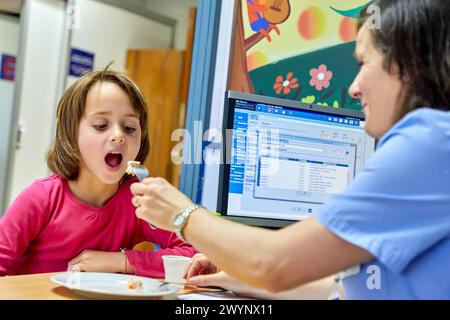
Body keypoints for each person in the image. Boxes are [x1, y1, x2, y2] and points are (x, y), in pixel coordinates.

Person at [130, 0, 450, 299]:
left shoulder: (428, 141)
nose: (354, 87)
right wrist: (240, 276)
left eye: (364, 62)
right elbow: (344, 287)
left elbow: (273, 264)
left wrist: (182, 214)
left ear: (405, 64)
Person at [0, 67, 196, 277]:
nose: (118, 136)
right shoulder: (40, 199)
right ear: (71, 134)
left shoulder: (139, 202)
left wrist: (122, 261)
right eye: (101, 125)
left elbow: (195, 255)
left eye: (129, 128)